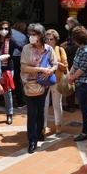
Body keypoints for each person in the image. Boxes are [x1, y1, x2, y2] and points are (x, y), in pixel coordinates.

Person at [21, 23, 57, 154]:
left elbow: (55, 64)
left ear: (41, 35)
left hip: (44, 84)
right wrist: (41, 69)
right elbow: (24, 68)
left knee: (41, 110)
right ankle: (32, 140)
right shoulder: (26, 49)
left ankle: (40, 133)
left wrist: (51, 70)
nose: (31, 36)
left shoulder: (49, 49)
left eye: (33, 34)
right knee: (32, 113)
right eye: (29, 34)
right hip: (30, 84)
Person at [67, 26, 87, 141]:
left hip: (85, 84)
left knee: (83, 108)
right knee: (85, 106)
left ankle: (85, 132)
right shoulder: (80, 48)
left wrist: (71, 78)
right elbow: (75, 64)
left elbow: (82, 69)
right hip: (81, 83)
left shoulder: (86, 51)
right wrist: (70, 73)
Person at [0, 20, 21, 125]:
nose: (4, 31)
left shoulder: (11, 41)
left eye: (6, 29)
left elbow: (22, 48)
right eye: (2, 28)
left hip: (8, 69)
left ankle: (9, 114)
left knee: (7, 91)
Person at [43, 29, 68, 134]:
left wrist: (55, 62)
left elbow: (65, 66)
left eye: (51, 39)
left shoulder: (60, 49)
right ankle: (43, 126)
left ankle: (58, 125)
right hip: (44, 80)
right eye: (47, 39)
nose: (49, 41)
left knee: (57, 104)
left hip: (57, 80)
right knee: (44, 104)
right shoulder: (42, 49)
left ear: (55, 40)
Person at [62, 16, 81, 112]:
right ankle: (74, 103)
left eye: (67, 23)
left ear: (72, 23)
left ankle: (71, 105)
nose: (66, 25)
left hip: (73, 59)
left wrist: (64, 49)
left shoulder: (75, 32)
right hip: (74, 59)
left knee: (70, 81)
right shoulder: (76, 31)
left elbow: (74, 46)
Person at [11, 22, 28, 107]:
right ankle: (19, 100)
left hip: (10, 57)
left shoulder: (11, 31)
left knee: (10, 77)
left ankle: (10, 98)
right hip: (18, 58)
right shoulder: (24, 36)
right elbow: (24, 48)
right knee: (17, 79)